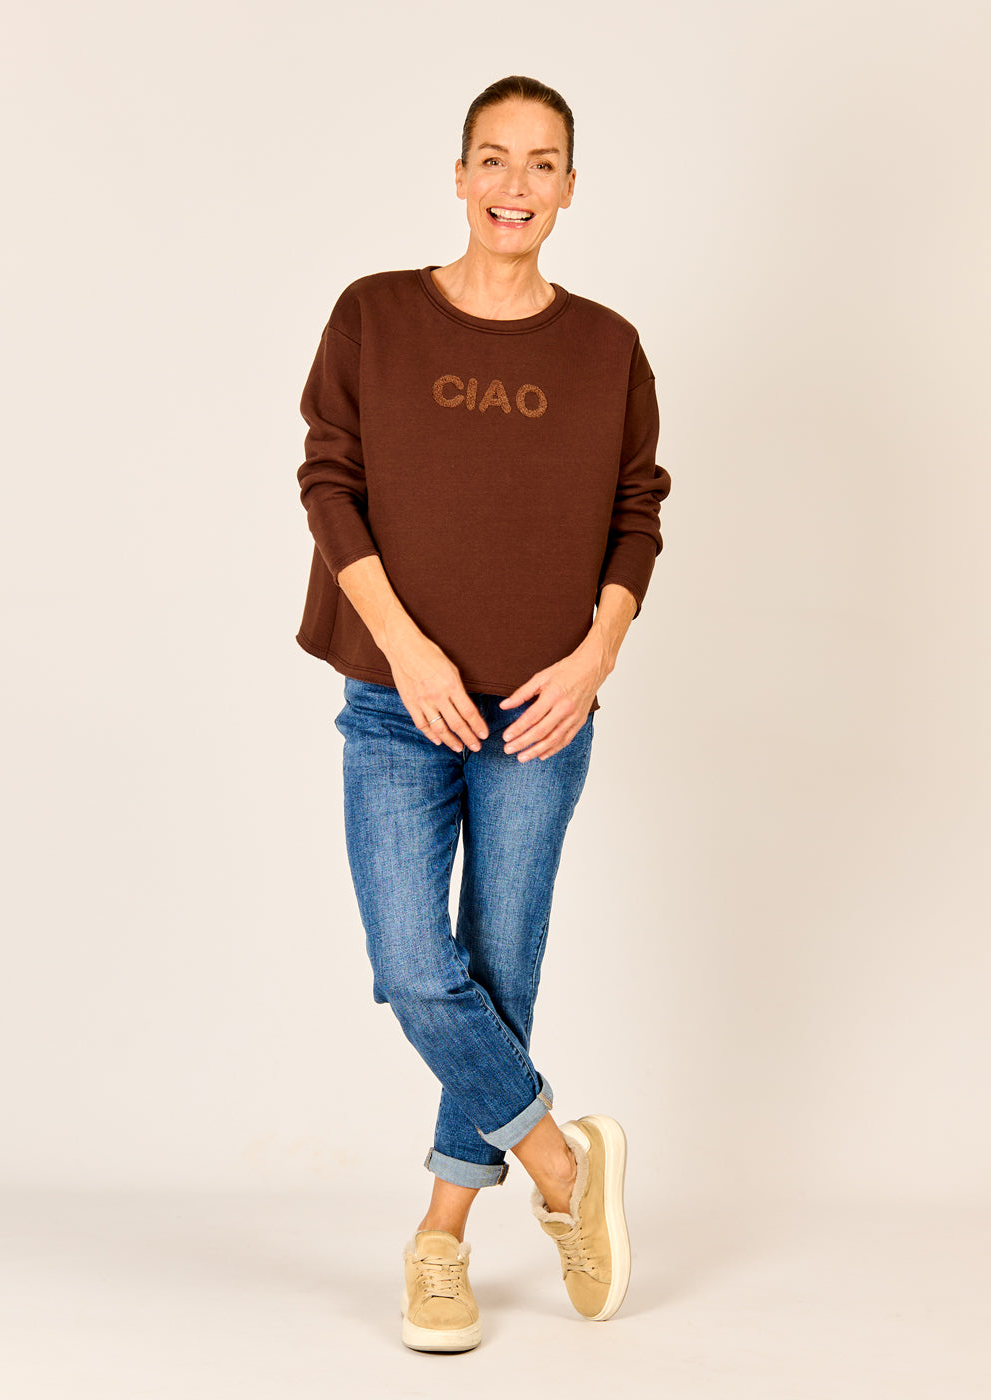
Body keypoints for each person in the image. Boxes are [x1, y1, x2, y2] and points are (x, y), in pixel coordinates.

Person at [294, 74, 671, 1352]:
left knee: (499, 969)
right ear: (458, 177)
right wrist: (405, 652)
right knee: (415, 967)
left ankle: (441, 1236)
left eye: (542, 162)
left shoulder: (607, 346)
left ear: (569, 188)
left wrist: (594, 655)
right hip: (395, 700)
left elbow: (637, 511)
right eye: (494, 159)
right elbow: (329, 480)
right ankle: (563, 1164)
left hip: (541, 710)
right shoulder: (374, 314)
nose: (516, 185)